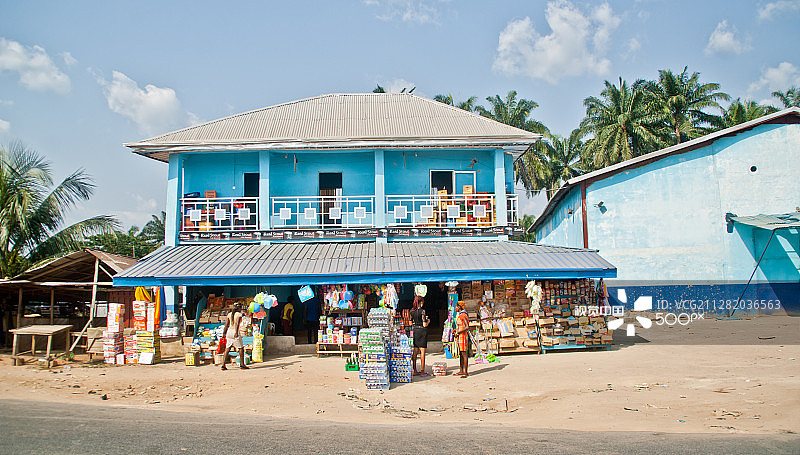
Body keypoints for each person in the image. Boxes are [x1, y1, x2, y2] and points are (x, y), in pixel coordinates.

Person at [221, 303, 248, 370]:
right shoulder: (239, 314)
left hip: (229, 332)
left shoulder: (229, 314)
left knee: (227, 348)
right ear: (239, 308)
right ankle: (242, 364)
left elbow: (226, 325)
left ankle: (223, 364)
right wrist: (236, 332)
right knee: (240, 348)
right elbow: (237, 324)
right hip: (234, 331)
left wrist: (224, 333)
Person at [410, 295, 430, 376]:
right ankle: (422, 371)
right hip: (422, 331)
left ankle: (415, 370)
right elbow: (425, 324)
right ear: (421, 302)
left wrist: (416, 323)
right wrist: (428, 321)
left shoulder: (411, 311)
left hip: (415, 330)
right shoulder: (422, 311)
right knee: (422, 352)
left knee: (415, 351)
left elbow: (410, 323)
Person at [455, 300, 470, 378]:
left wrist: (458, 332)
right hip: (460, 336)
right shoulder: (460, 315)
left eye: (456, 307)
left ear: (459, 307)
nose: (455, 308)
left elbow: (467, 327)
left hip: (463, 336)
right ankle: (461, 370)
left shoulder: (463, 315)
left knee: (464, 354)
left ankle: (466, 372)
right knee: (461, 353)